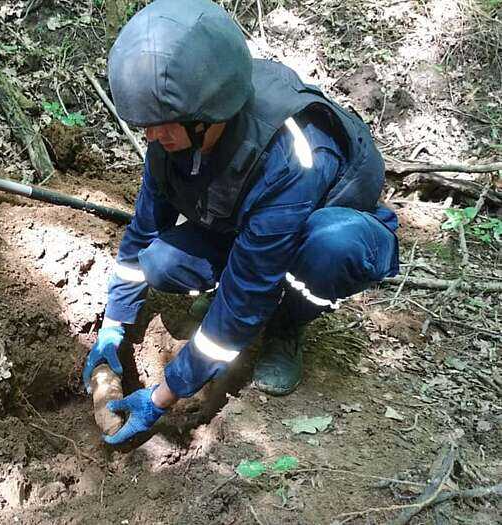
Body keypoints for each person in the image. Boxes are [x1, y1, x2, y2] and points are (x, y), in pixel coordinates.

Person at [83, 0, 399, 446]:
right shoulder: (173, 129)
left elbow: (246, 294)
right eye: (145, 126)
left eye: (160, 126)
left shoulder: (291, 157)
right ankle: (230, 290)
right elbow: (143, 233)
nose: (150, 137)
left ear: (207, 115)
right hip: (251, 224)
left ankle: (288, 324)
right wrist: (113, 325)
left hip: (322, 226)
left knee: (332, 248)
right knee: (161, 260)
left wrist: (160, 397)